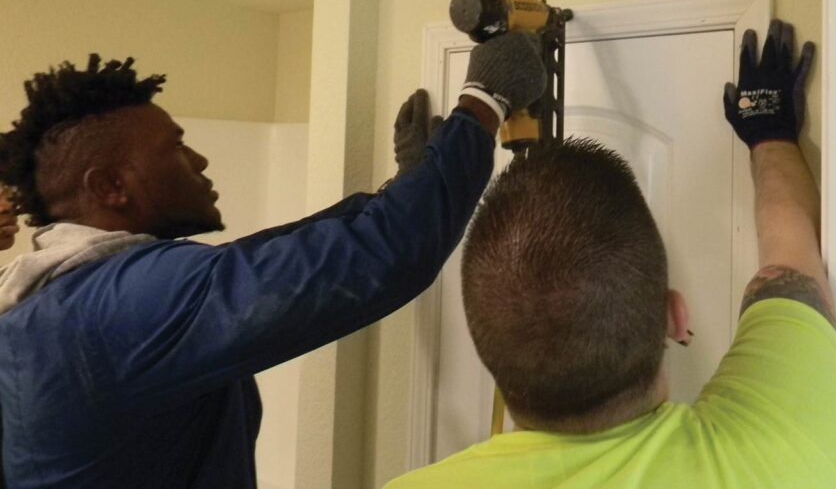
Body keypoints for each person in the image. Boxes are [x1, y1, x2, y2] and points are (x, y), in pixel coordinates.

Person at [0, 31, 546, 489]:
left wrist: (405, 188)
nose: (198, 159)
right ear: (112, 186)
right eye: (175, 147)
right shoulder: (122, 307)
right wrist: (483, 103)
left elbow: (266, 259)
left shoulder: (68, 299)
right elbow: (379, 256)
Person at [388, 19, 836, 488]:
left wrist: (416, 190)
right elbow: (791, 265)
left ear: (485, 350)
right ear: (675, 316)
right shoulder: (774, 457)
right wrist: (769, 131)